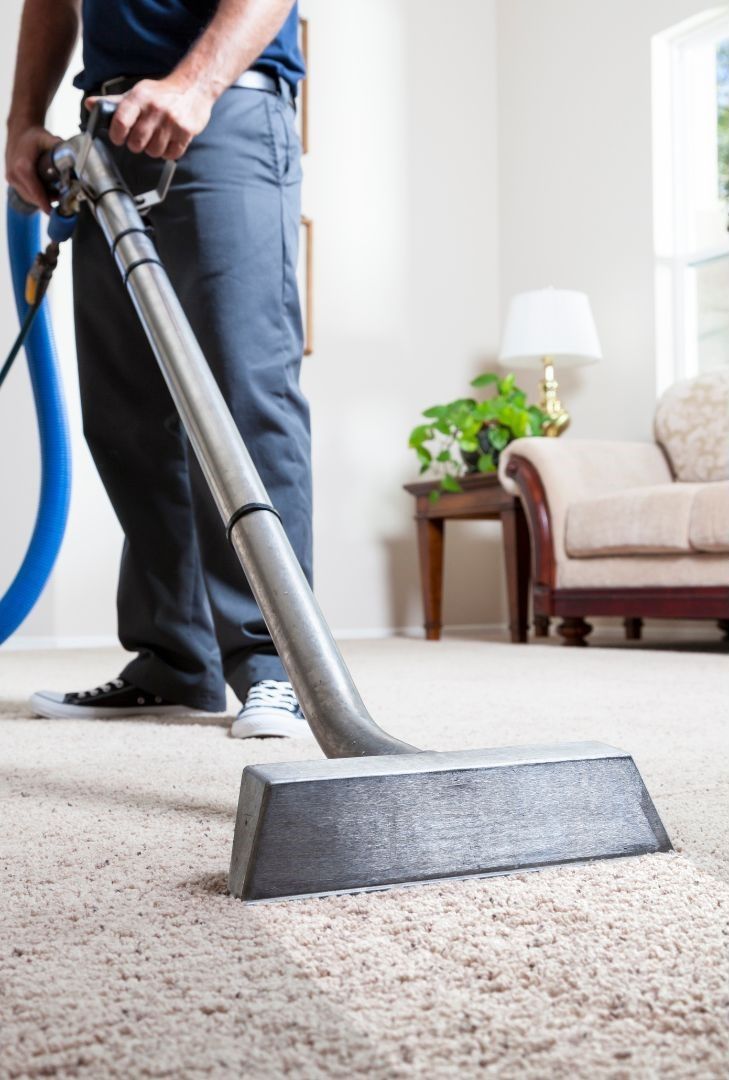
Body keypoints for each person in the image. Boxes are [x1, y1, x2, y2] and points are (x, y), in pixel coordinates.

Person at [5, 0, 312, 739]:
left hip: (220, 112)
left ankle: (281, 665)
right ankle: (174, 657)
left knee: (242, 396)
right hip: (105, 133)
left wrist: (195, 85)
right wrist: (20, 123)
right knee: (127, 415)